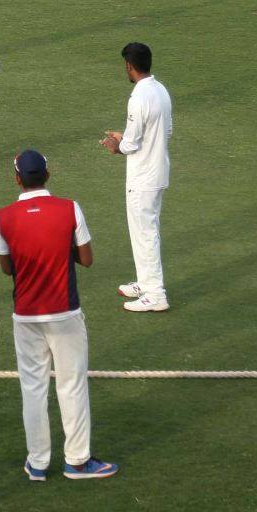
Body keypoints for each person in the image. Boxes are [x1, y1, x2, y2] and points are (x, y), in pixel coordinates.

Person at [0, 150, 119, 481]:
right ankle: (77, 462)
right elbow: (87, 259)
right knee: (72, 385)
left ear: (17, 179)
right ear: (47, 175)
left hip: (25, 315)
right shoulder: (69, 208)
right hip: (65, 313)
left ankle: (37, 463)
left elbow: (6, 267)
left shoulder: (3, 217)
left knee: (32, 389)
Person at [99, 42, 173, 312]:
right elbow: (165, 131)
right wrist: (127, 138)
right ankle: (145, 282)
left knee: (145, 233)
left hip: (143, 177)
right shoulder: (161, 90)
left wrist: (117, 145)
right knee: (145, 230)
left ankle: (155, 294)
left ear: (129, 66)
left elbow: (130, 144)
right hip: (158, 170)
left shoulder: (138, 97)